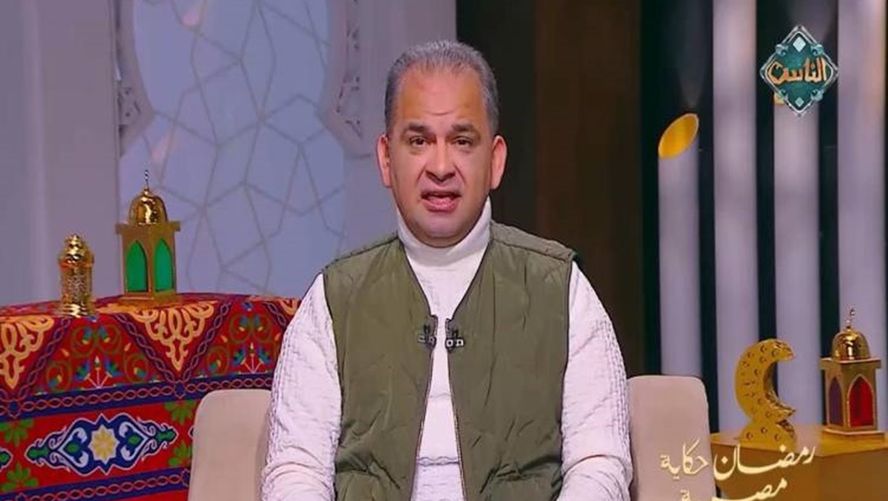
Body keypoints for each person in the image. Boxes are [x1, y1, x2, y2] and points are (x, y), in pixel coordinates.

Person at [261, 40, 631, 501]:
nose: (440, 167)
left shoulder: (561, 289)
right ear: (386, 159)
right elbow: (295, 471)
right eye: (419, 141)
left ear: (495, 160)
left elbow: (600, 463)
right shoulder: (335, 299)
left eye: (462, 141)